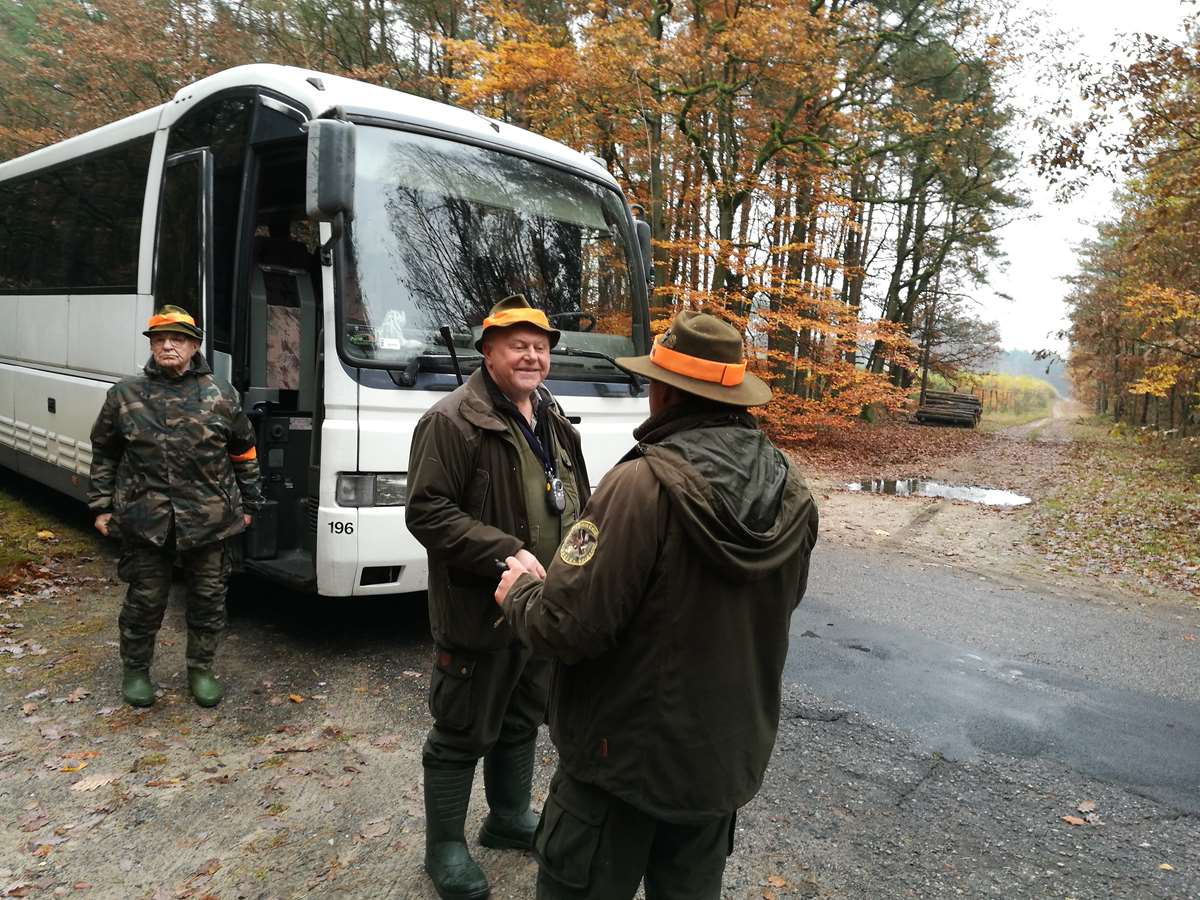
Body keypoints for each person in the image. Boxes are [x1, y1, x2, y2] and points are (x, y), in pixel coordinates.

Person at [494, 309, 820, 899]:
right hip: (718, 766)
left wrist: (520, 592)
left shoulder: (640, 487)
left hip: (617, 768)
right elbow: (779, 606)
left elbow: (565, 626)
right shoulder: (792, 491)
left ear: (665, 391)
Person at [406, 294, 591, 900]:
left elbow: (577, 498)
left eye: (540, 347)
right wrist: (505, 551)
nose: (532, 356)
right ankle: (444, 847)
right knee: (462, 728)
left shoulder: (552, 416)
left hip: (539, 606)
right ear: (488, 352)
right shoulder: (451, 420)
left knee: (522, 716)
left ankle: (507, 818)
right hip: (477, 610)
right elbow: (426, 512)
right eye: (519, 346)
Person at [88, 306, 264, 709]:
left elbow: (244, 451)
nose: (168, 345)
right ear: (151, 345)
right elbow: (105, 453)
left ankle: (201, 670)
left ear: (195, 346)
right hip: (145, 521)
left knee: (208, 600)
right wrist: (101, 506)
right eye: (160, 339)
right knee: (144, 602)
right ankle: (136, 671)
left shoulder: (221, 394)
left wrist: (250, 502)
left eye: (178, 338)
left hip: (209, 521)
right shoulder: (124, 395)